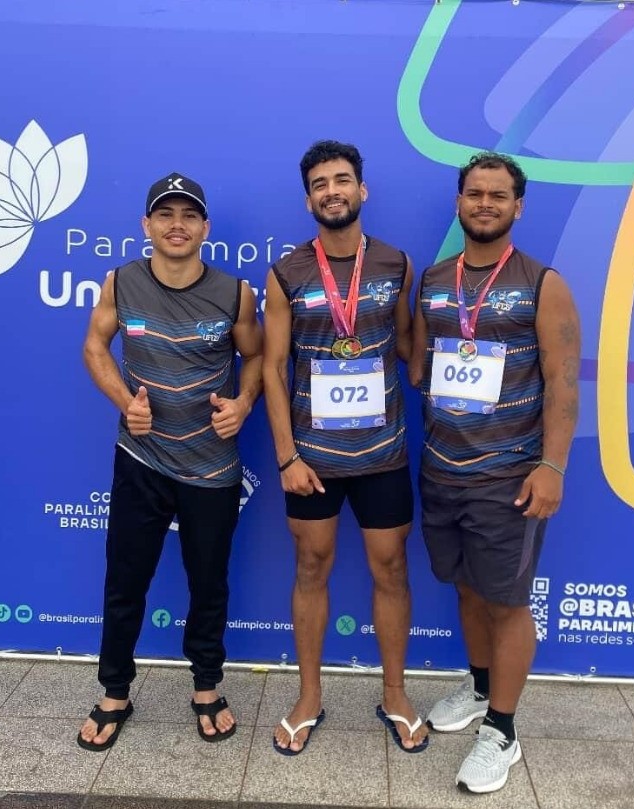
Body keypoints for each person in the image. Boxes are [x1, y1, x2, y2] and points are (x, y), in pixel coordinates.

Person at [410, 152, 580, 792]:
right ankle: (481, 689)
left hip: (509, 477)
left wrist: (552, 465)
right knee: (466, 589)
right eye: (475, 193)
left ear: (518, 207)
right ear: (459, 203)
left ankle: (502, 732)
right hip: (442, 469)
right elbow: (421, 361)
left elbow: (564, 382)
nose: (485, 204)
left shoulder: (543, 283)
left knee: (507, 603)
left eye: (498, 196)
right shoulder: (432, 281)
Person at [77, 173, 263, 751]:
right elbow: (93, 346)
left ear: (205, 228)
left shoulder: (236, 293)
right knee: (124, 579)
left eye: (188, 215)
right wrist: (123, 402)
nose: (176, 225)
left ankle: (206, 686)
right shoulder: (120, 282)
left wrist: (243, 403)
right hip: (141, 460)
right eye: (165, 215)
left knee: (208, 583)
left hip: (211, 468)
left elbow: (256, 358)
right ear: (147, 226)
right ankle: (114, 692)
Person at [262, 140, 428, 755]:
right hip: (311, 461)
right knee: (311, 568)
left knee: (391, 569)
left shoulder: (397, 264)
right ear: (308, 199)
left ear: (363, 190)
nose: (332, 191)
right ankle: (309, 696)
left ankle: (395, 693)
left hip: (384, 455)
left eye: (343, 180)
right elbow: (273, 368)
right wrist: (286, 455)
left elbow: (410, 347)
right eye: (320, 184)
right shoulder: (285, 273)